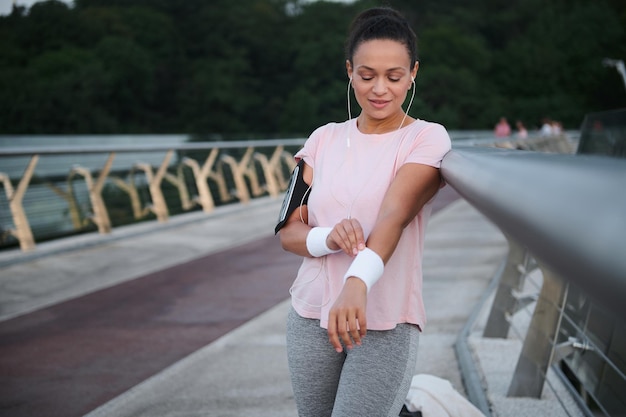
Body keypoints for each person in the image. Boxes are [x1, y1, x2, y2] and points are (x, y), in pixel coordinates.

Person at [275, 7, 451, 417]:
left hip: (385, 319)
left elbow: (394, 216)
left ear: (413, 73)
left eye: (394, 76)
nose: (380, 89)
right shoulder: (323, 138)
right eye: (367, 75)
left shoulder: (426, 137)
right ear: (349, 71)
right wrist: (328, 237)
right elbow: (288, 230)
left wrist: (356, 283)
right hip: (311, 314)